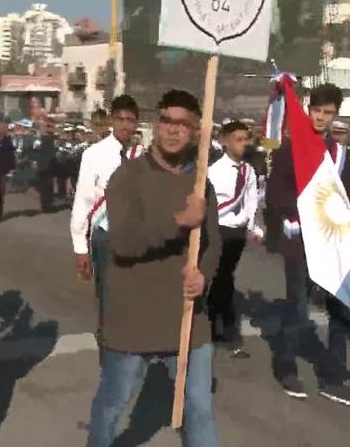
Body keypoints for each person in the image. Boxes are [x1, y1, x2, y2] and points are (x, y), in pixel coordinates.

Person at [86, 90, 221, 447]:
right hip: (134, 319)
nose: (173, 131)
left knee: (200, 410)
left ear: (195, 131)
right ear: (156, 124)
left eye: (183, 124)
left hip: (189, 318)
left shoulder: (201, 183)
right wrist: (180, 220)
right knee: (112, 406)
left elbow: (213, 242)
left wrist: (203, 275)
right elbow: (124, 243)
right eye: (167, 121)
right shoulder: (127, 176)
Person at [266, 82, 350, 407]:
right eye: (317, 111)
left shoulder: (339, 154)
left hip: (332, 242)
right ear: (307, 110)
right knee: (297, 309)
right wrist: (299, 214)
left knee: (340, 312)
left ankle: (333, 377)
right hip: (300, 243)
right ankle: (286, 367)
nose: (322, 118)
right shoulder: (290, 149)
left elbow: (349, 195)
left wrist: (348, 229)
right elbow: (276, 196)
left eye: (328, 113)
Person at [69, 95, 141, 363]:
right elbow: (84, 201)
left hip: (134, 238)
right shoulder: (94, 154)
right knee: (108, 296)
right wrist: (80, 247)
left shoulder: (142, 156)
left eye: (130, 120)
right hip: (105, 235)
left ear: (137, 124)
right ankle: (109, 351)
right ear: (111, 121)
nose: (125, 125)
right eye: (120, 119)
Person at [206, 121, 263, 356]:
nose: (243, 144)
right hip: (219, 229)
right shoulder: (215, 171)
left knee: (226, 278)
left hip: (237, 232)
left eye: (246, 139)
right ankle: (216, 331)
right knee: (217, 279)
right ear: (225, 143)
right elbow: (211, 205)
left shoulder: (248, 170)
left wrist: (251, 226)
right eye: (238, 139)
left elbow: (251, 199)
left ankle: (225, 329)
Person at [34, 118, 57, 212]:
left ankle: (47, 206)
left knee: (46, 187)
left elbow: (49, 154)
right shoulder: (41, 139)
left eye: (42, 127)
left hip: (47, 166)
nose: (40, 129)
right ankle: (45, 205)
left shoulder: (48, 139)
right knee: (44, 187)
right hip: (43, 166)